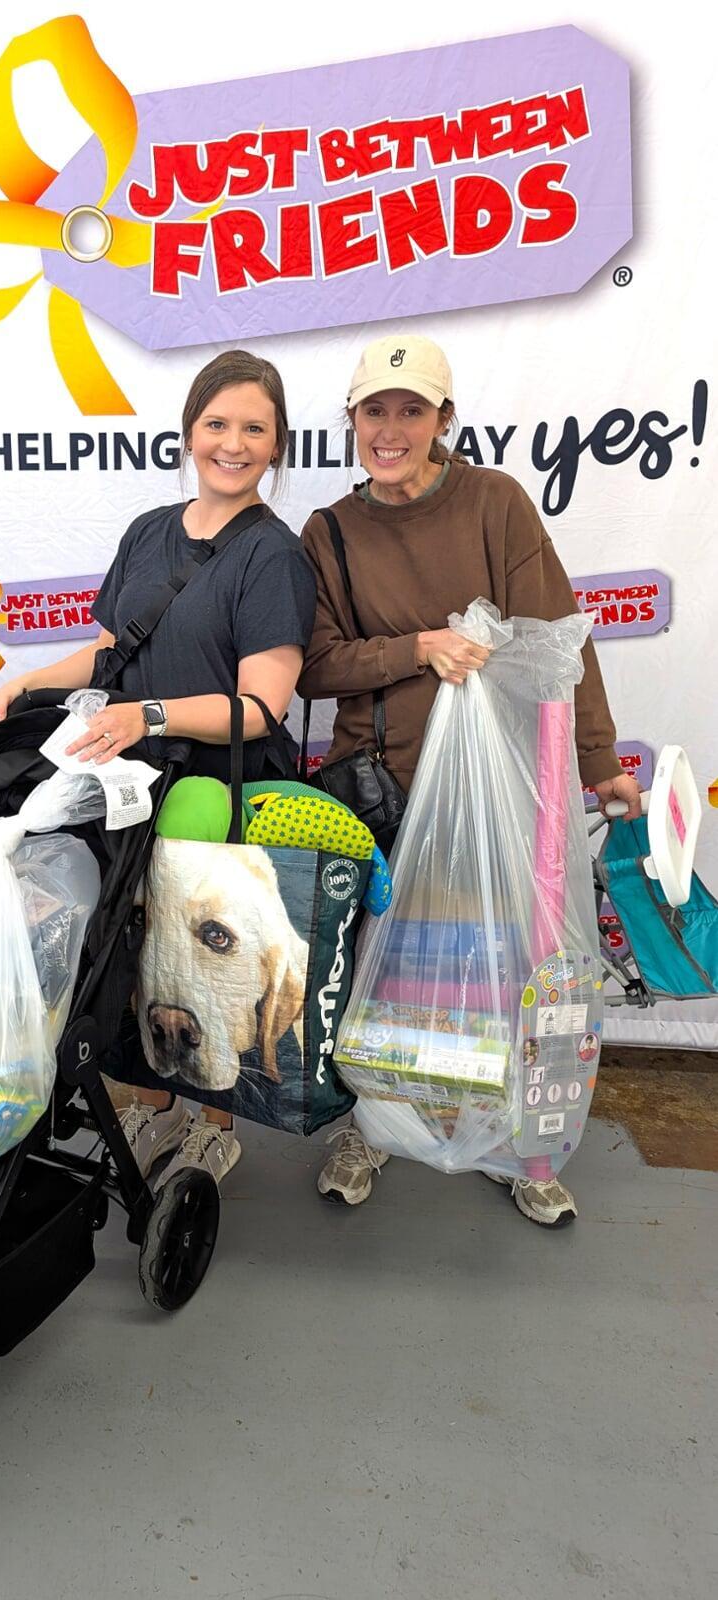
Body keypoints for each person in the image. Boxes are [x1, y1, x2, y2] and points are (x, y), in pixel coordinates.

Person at [300, 332, 641, 1228]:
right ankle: (368, 1125)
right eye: (374, 409)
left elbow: (560, 643)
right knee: (378, 973)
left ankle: (516, 1143)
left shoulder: (495, 503)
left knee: (506, 975)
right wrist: (420, 648)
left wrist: (598, 764)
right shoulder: (329, 531)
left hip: (501, 793)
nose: (390, 428)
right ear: (352, 420)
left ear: (442, 420)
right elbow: (317, 666)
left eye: (411, 410)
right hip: (381, 787)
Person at [0, 349, 317, 1188]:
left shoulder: (273, 556)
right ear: (189, 431)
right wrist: (24, 680)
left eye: (253, 429)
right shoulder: (148, 533)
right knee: (124, 947)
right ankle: (144, 1099)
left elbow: (261, 705)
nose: (232, 444)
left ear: (277, 447)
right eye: (216, 424)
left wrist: (150, 716)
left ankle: (211, 1125)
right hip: (126, 778)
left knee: (193, 957)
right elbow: (105, 651)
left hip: (216, 790)